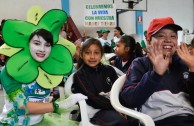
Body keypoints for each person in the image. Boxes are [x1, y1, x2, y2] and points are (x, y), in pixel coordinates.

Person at [0, 10, 87, 126]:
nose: (42, 49)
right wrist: (58, 106)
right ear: (27, 43)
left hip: (40, 121)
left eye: (47, 45)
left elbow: (77, 74)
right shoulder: (10, 71)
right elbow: (22, 107)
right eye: (36, 43)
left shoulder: (50, 67)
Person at [120, 17, 194, 126]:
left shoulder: (184, 63)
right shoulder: (140, 64)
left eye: (173, 36)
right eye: (161, 36)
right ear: (149, 41)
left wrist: (193, 70)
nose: (168, 40)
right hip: (161, 121)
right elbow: (130, 100)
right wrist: (155, 75)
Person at [72, 38, 137, 126]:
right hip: (94, 112)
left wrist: (122, 107)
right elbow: (93, 99)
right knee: (121, 122)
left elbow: (119, 92)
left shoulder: (109, 70)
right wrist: (116, 108)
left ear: (101, 54)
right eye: (87, 53)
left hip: (113, 107)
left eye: (96, 53)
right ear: (81, 55)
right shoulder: (79, 75)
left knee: (134, 118)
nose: (92, 56)